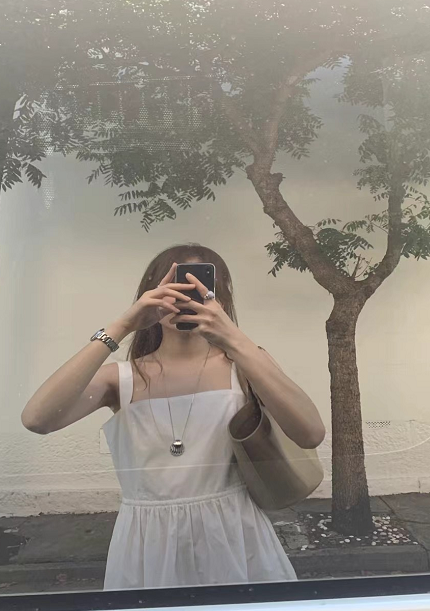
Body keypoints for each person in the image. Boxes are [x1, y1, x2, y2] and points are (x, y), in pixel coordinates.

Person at [22, 244, 325, 589]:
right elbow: (37, 418)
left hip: (235, 536)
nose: (185, 298)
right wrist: (122, 325)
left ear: (221, 298)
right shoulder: (120, 379)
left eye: (199, 288)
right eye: (175, 286)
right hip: (147, 544)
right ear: (151, 294)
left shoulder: (244, 364)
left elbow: (311, 433)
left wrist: (235, 340)